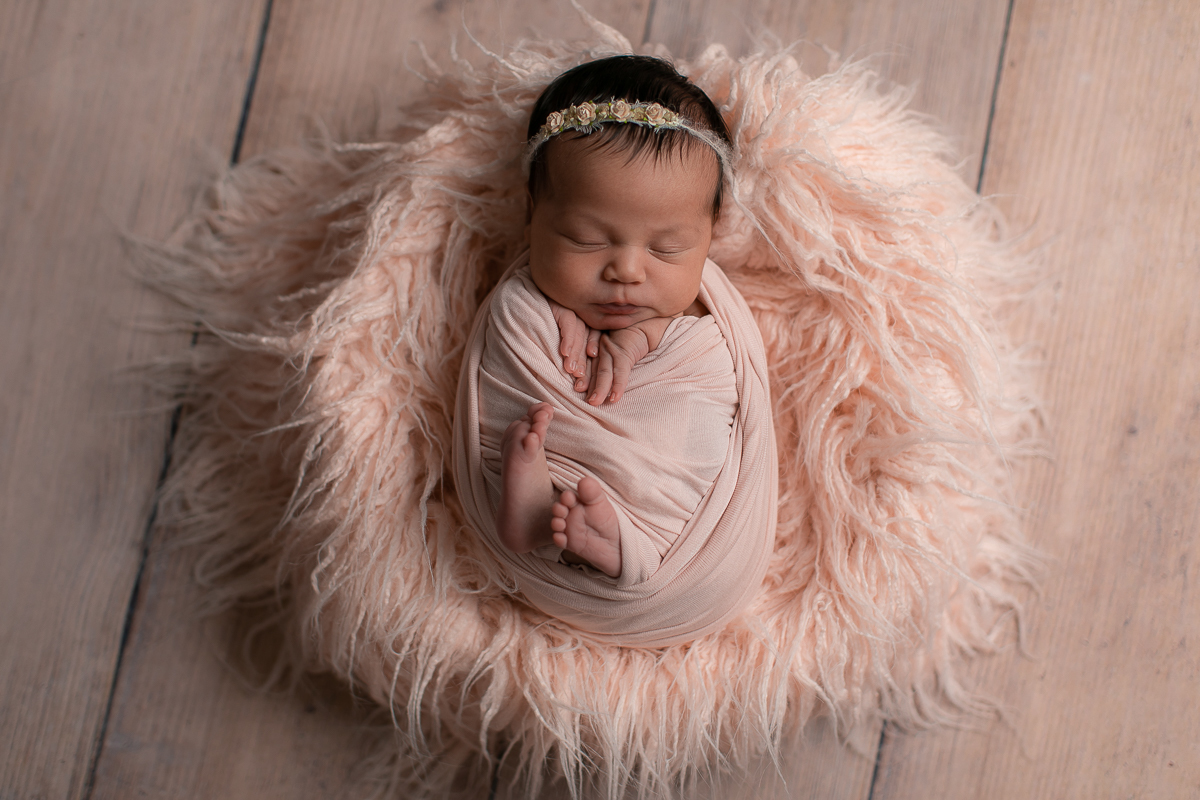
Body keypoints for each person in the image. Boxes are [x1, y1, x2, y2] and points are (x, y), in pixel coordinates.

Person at [482, 55, 743, 581]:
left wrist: (646, 337)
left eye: (668, 249)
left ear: (710, 234)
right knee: (517, 319)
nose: (626, 270)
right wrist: (557, 310)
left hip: (672, 502)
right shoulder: (526, 308)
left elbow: (716, 370)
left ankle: (627, 541)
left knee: (691, 430)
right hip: (556, 468)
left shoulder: (707, 319)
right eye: (587, 239)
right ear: (532, 212)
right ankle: (545, 504)